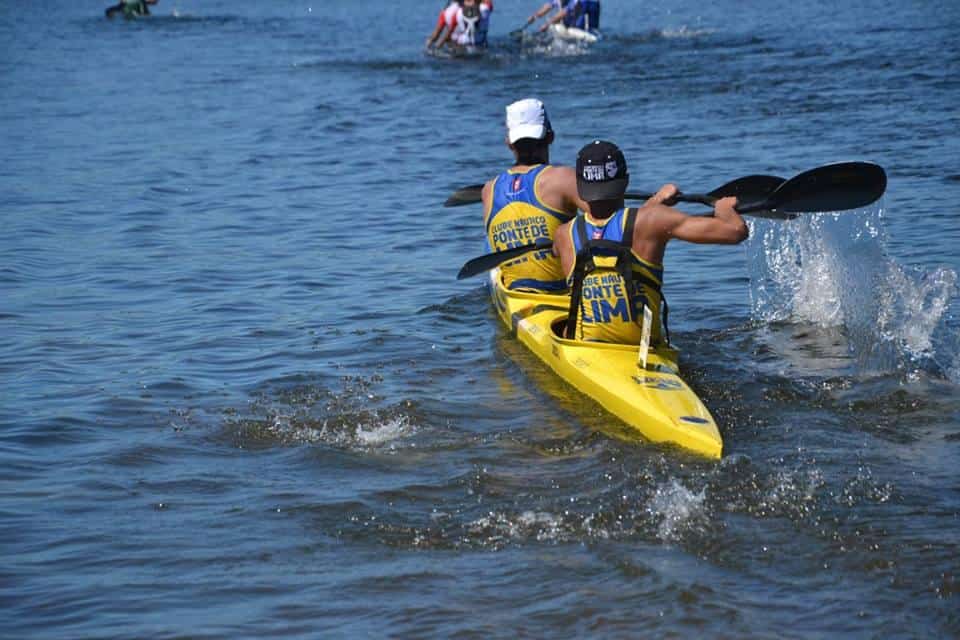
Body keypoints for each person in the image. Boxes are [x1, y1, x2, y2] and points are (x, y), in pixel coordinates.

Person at [553, 140, 748, 344]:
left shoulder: (562, 235)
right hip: (642, 351)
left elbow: (610, 228)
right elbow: (735, 231)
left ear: (580, 186)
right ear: (625, 181)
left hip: (584, 348)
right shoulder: (653, 221)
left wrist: (656, 202)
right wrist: (724, 208)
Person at [480, 98, 589, 293]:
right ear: (550, 137)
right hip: (565, 292)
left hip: (518, 297)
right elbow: (611, 224)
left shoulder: (489, 190)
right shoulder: (564, 179)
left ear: (509, 143)